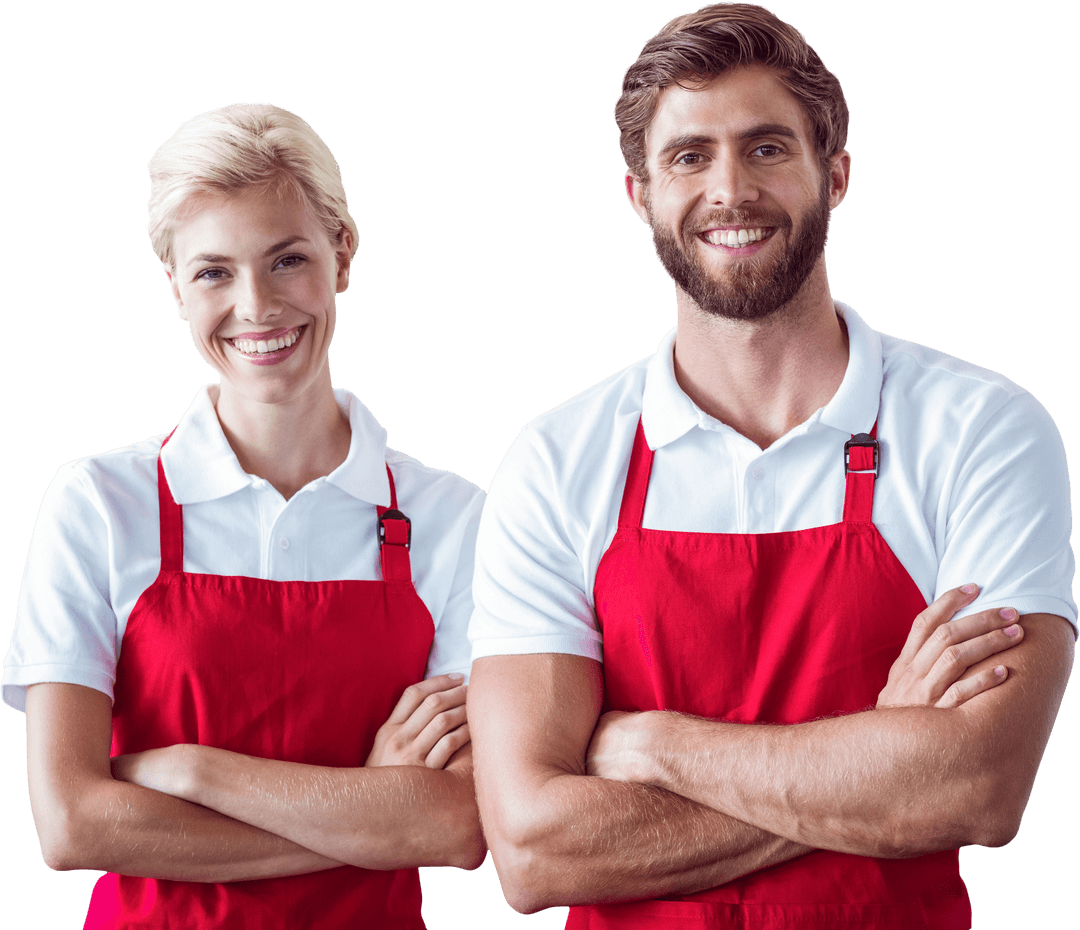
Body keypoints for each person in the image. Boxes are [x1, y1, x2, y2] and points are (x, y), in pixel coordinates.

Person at [466, 4, 1076, 928]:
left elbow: (978, 789)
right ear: (639, 193)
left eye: (765, 149)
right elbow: (534, 851)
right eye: (688, 157)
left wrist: (655, 743)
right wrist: (880, 760)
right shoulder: (556, 461)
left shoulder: (983, 429)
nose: (729, 191)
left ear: (833, 176)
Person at [3, 102, 485, 928]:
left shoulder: (452, 517)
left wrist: (191, 770)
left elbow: (459, 825)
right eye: (213, 272)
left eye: (287, 259)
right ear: (174, 288)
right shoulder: (96, 502)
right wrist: (371, 809)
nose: (256, 306)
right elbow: (72, 823)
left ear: (343, 254)